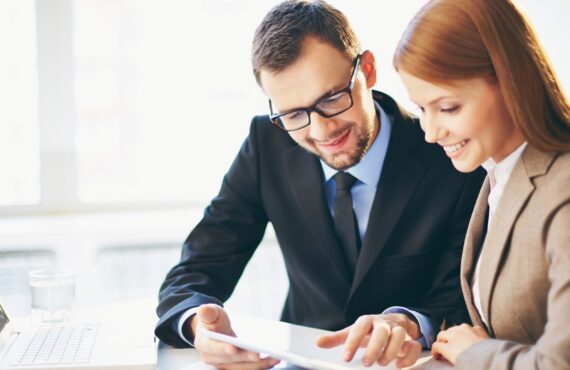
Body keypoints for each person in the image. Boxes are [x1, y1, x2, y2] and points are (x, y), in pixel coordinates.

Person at [155, 1, 484, 368]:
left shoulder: (451, 152)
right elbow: (199, 264)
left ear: (368, 70)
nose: (321, 130)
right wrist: (199, 326)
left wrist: (409, 323)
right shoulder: (267, 143)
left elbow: (464, 296)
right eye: (294, 114)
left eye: (331, 99)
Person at [374, 0, 569, 368]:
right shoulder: (497, 173)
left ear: (510, 81)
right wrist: (412, 330)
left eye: (448, 108)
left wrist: (474, 354)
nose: (430, 133)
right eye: (420, 109)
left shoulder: (563, 188)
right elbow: (500, 322)